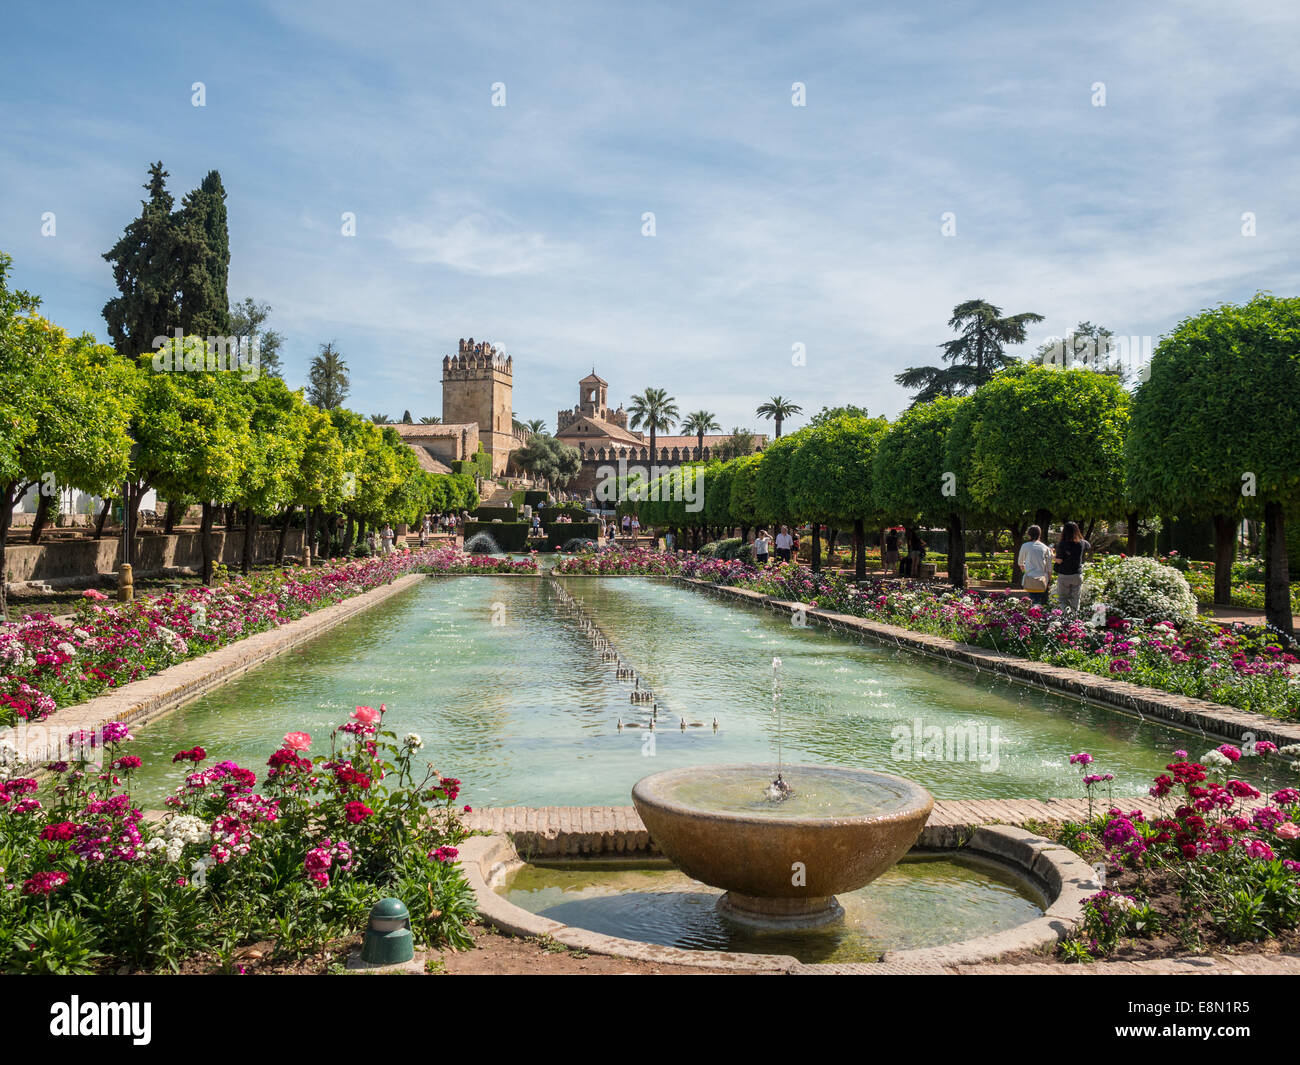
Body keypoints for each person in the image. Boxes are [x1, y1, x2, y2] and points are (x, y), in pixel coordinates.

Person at [1054, 521, 1091, 612]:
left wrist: (1052, 555)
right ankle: (1075, 620)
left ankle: (1065, 617)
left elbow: (1059, 560)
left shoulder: (1062, 544)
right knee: (1076, 599)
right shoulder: (1082, 543)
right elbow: (1089, 546)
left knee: (1063, 599)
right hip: (1077, 574)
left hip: (1064, 574)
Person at [1017, 524, 1053, 605]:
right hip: (1042, 580)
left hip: (1030, 579)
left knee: (1033, 600)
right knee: (1041, 601)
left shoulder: (1025, 546)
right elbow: (1049, 567)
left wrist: (1025, 570)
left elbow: (1020, 562)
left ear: (1029, 534)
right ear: (1039, 534)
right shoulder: (1045, 548)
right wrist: (1049, 580)